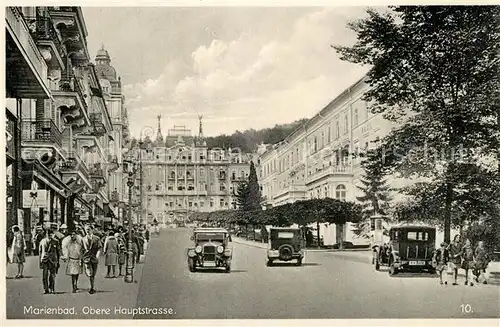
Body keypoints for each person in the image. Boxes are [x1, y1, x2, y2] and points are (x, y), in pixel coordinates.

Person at [39, 229, 61, 294]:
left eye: (51, 234)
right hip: (44, 260)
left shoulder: (56, 241)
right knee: (44, 276)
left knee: (52, 275)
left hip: (53, 260)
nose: (49, 235)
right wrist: (40, 262)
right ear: (46, 234)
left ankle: (52, 288)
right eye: (48, 234)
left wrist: (58, 262)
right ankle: (46, 289)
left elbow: (58, 252)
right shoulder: (42, 241)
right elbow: (40, 252)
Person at [82, 225, 102, 294]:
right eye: (86, 229)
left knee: (93, 274)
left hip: (94, 258)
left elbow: (99, 247)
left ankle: (92, 286)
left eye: (88, 229)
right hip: (87, 258)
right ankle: (92, 288)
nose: (87, 231)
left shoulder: (97, 238)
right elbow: (82, 249)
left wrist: (97, 255)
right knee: (90, 273)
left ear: (92, 230)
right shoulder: (83, 239)